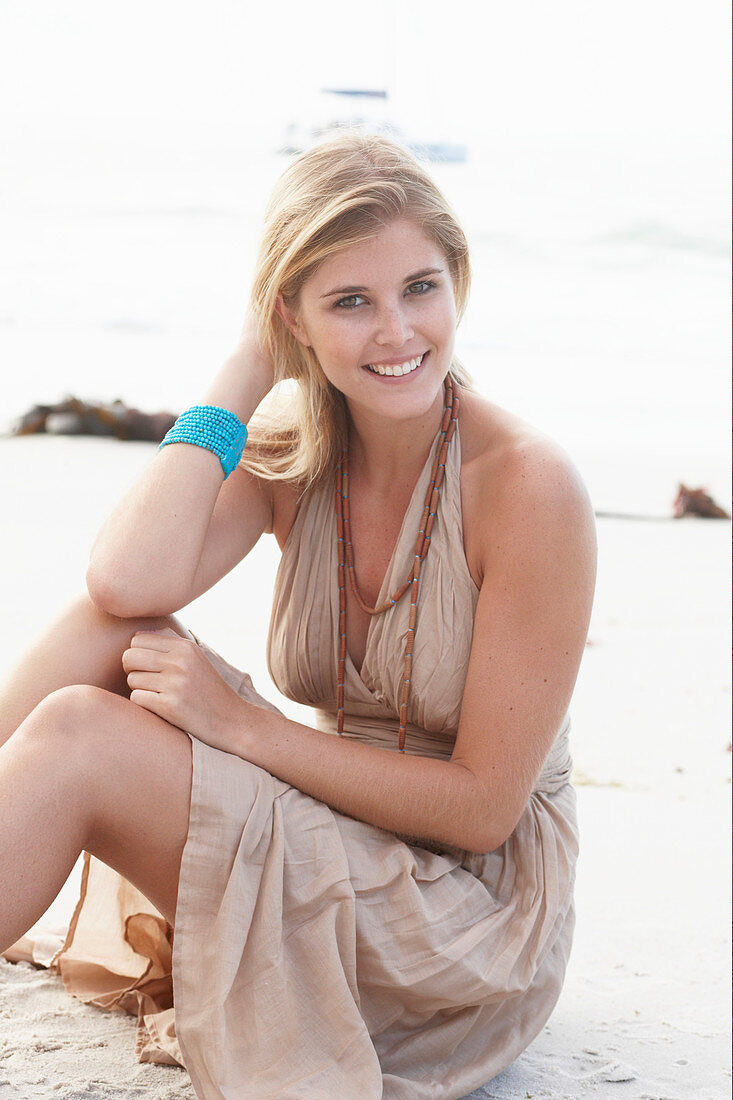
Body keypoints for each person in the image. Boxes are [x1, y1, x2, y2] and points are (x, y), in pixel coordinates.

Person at [0, 131, 596, 1098]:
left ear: (459, 286)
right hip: (335, 834)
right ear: (293, 319)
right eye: (349, 302)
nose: (397, 333)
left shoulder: (527, 486)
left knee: (76, 733)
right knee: (111, 638)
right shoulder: (294, 448)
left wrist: (241, 725)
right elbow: (121, 583)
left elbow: (485, 811)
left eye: (419, 288)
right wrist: (244, 368)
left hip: (466, 922)